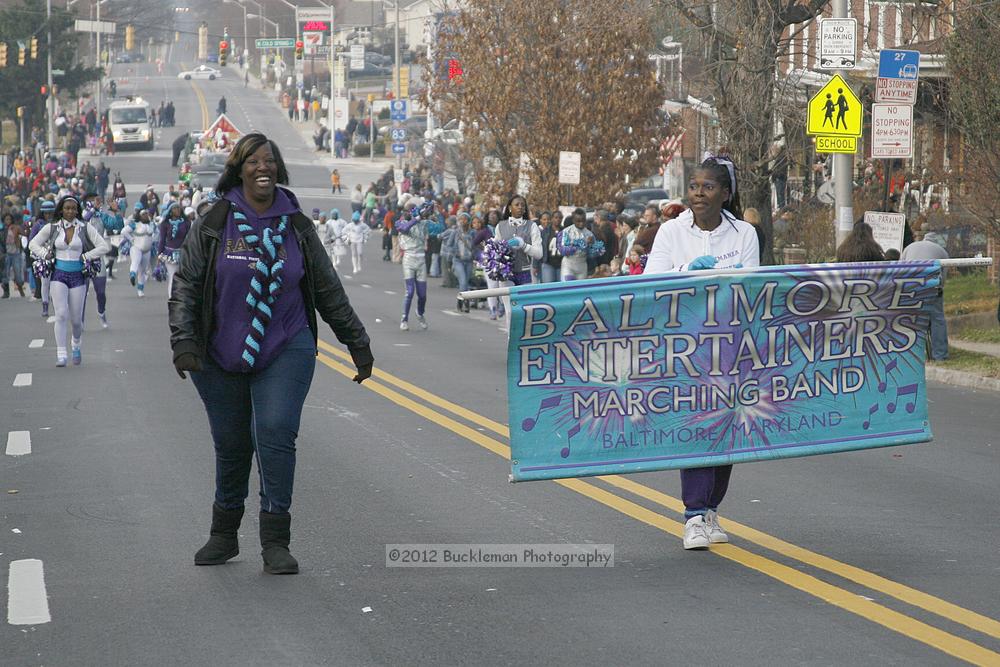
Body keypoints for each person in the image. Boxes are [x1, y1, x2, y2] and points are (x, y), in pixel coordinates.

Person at [168, 132, 373, 575]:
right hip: (219, 350)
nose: (264, 168)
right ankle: (223, 536)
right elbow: (185, 284)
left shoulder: (297, 226)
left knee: (276, 433)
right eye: (254, 162)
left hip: (286, 342)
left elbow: (327, 290)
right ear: (239, 169)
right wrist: (183, 341)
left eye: (270, 162)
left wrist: (357, 343)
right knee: (232, 444)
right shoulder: (215, 220)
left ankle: (276, 539)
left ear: (278, 169)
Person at [644, 156, 759, 551]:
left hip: (729, 346)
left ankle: (711, 509)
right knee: (697, 425)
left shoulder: (744, 234)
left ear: (725, 194)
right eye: (693, 186)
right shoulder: (670, 232)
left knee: (725, 430)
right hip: (685, 345)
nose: (698, 193)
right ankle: (693, 515)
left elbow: (750, 288)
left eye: (708, 187)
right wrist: (688, 273)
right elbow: (651, 283)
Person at [28, 195, 109, 366]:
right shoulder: (52, 228)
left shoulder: (85, 227)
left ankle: (76, 344)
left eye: (73, 208)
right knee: (61, 314)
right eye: (67, 208)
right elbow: (33, 244)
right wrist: (45, 254)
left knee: (76, 321)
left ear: (78, 210)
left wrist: (87, 256)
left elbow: (104, 246)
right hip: (59, 275)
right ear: (61, 210)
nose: (70, 211)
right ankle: (61, 354)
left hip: (78, 277)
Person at [901, 231, 949, 361]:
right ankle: (940, 354)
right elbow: (943, 275)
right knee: (937, 319)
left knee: (911, 319)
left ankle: (912, 354)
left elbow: (901, 267)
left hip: (911, 287)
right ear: (936, 241)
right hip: (932, 286)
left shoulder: (910, 247)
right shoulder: (942, 251)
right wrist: (940, 287)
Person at [395, 203, 431, 330]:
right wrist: (417, 218)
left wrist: (432, 210)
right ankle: (404, 319)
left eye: (410, 211)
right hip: (409, 258)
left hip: (421, 258)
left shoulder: (423, 223)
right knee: (409, 292)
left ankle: (420, 313)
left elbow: (438, 227)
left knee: (422, 295)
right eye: (406, 211)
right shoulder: (399, 223)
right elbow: (404, 229)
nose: (407, 213)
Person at [157, 202, 191, 297]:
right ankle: (172, 300)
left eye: (178, 208)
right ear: (170, 211)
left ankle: (181, 299)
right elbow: (162, 239)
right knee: (172, 276)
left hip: (183, 253)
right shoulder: (165, 224)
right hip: (170, 254)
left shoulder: (186, 223)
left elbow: (190, 238)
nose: (177, 210)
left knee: (183, 277)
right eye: (175, 208)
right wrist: (159, 254)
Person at [122, 207, 155, 297]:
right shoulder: (135, 224)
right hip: (136, 248)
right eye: (143, 215)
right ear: (139, 216)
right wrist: (131, 239)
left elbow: (156, 234)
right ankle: (132, 275)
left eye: (146, 214)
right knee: (135, 262)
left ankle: (140, 290)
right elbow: (124, 231)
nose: (145, 216)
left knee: (142, 271)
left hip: (147, 251)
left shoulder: (151, 224)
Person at [557, 208, 595, 281]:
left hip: (582, 265)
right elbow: (563, 251)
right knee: (567, 288)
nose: (581, 223)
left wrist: (592, 245)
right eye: (578, 221)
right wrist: (580, 244)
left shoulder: (589, 234)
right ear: (573, 220)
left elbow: (594, 254)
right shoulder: (566, 232)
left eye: (583, 221)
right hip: (568, 265)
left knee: (581, 290)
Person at [2, 212, 25, 298]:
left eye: (9, 219)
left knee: (18, 273)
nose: (8, 221)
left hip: (16, 253)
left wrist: (26, 228)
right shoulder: (3, 230)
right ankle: (6, 292)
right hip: (6, 254)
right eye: (6, 219)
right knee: (5, 273)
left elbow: (24, 234)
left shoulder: (16, 228)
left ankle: (20, 289)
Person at [346, 209, 369, 274]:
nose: (355, 222)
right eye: (354, 220)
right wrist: (348, 239)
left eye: (356, 220)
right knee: (353, 254)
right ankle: (355, 267)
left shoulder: (362, 225)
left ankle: (359, 264)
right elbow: (347, 232)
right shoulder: (350, 225)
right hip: (352, 240)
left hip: (359, 240)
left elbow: (367, 231)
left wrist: (365, 238)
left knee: (360, 253)